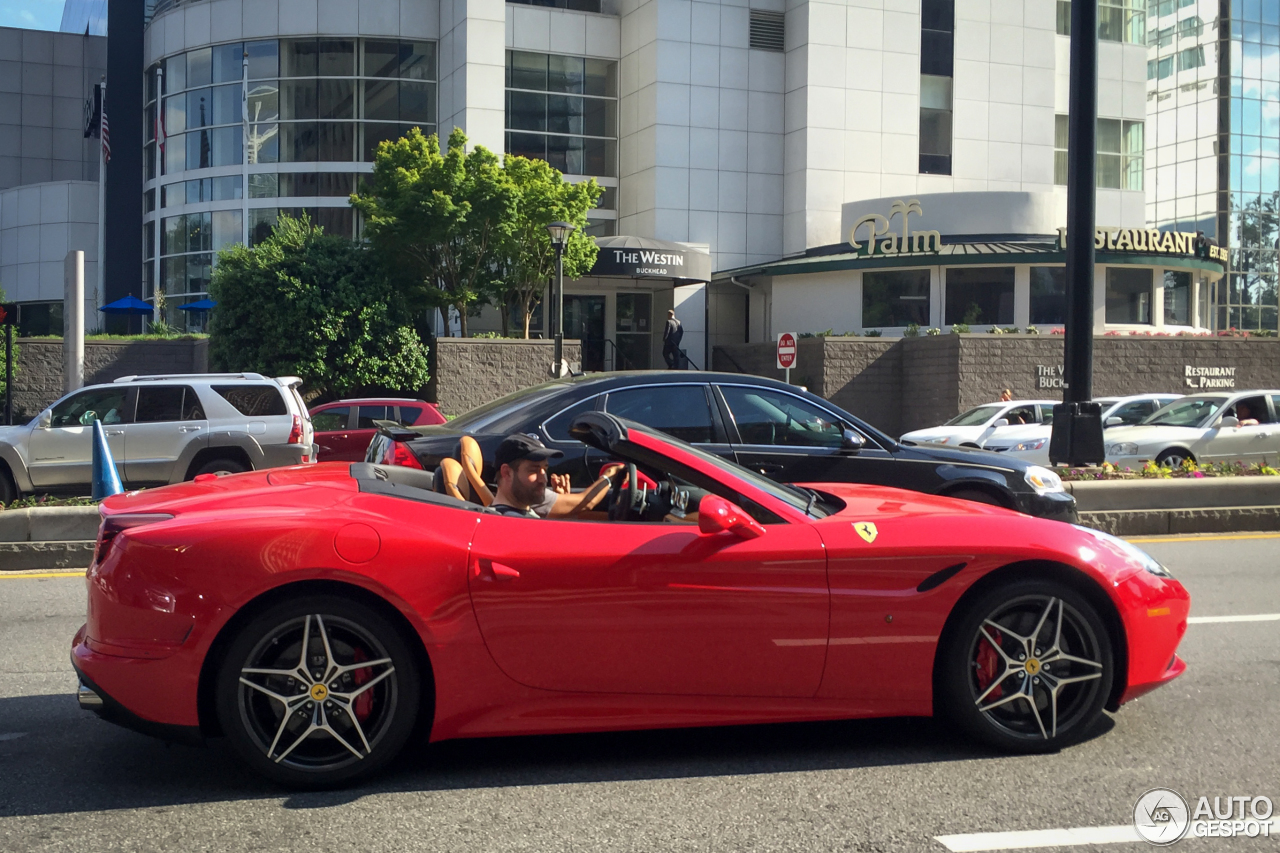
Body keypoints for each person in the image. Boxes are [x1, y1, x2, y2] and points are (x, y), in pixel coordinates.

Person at [489, 433, 624, 518]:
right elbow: (585, 502)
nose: (543, 479)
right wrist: (610, 475)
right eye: (533, 470)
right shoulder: (512, 523)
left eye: (545, 469)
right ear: (507, 472)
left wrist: (562, 516)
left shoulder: (521, 511)